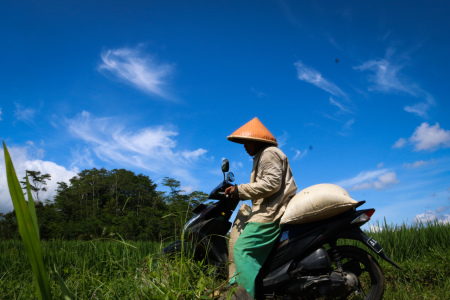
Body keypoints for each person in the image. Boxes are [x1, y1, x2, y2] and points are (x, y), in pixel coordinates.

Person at [224, 117, 297, 298]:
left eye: (246, 141)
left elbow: (271, 184)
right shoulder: (264, 155)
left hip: (272, 211)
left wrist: (240, 190)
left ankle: (245, 296)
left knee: (242, 250)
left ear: (257, 141)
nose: (244, 146)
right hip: (270, 208)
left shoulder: (268, 154)